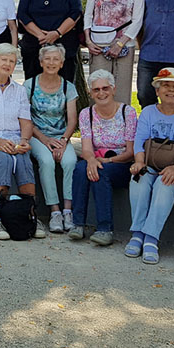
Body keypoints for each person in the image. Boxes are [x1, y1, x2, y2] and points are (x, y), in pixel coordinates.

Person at [126, 67, 174, 264]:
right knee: (139, 178)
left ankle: (151, 238)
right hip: (152, 163)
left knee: (165, 182)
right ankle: (137, 234)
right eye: (165, 86)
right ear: (157, 91)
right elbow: (140, 140)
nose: (171, 90)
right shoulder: (149, 111)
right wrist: (140, 162)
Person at [0, 44, 45, 240]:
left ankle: (30, 215)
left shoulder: (19, 91)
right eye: (4, 59)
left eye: (12, 61)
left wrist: (23, 141)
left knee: (23, 160)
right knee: (3, 160)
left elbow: (26, 122)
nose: (8, 64)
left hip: (14, 138)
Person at [69, 70, 137, 245]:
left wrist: (106, 161)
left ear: (113, 89)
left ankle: (105, 229)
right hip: (97, 159)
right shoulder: (87, 114)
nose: (101, 93)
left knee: (101, 172)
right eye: (96, 90)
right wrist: (91, 160)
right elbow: (86, 148)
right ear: (91, 93)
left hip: (121, 163)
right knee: (80, 169)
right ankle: (77, 224)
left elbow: (130, 152)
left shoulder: (127, 112)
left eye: (105, 88)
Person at [23, 45, 78, 233]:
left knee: (70, 161)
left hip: (61, 136)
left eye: (56, 59)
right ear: (40, 62)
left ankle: (68, 211)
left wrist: (63, 140)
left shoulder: (68, 87)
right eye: (48, 59)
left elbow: (72, 120)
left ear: (62, 63)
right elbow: (26, 119)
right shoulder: (29, 85)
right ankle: (55, 211)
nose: (51, 63)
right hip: (36, 135)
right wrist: (45, 140)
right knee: (46, 161)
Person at [83, 0, 145, 104]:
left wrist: (120, 43)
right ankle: (97, 127)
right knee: (99, 89)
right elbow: (88, 14)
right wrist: (88, 41)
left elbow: (138, 19)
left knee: (122, 93)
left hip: (125, 45)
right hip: (99, 44)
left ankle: (124, 126)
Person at [16, 0, 82, 82]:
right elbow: (22, 15)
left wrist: (57, 33)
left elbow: (76, 12)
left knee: (65, 88)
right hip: (34, 47)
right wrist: (41, 36)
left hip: (64, 47)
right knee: (34, 88)